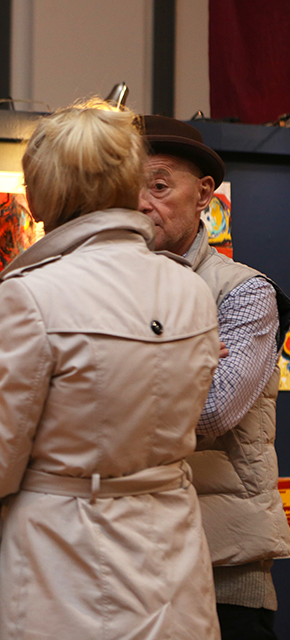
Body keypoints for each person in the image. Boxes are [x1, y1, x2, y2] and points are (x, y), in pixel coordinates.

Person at [0, 101, 221, 639]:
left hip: (65, 563)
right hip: (174, 556)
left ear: (43, 191)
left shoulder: (33, 293)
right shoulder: (191, 289)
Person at [139, 114, 290, 640]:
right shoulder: (112, 289)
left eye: (159, 185)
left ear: (204, 193)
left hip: (222, 565)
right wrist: (182, 362)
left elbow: (214, 410)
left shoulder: (244, 292)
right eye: (128, 187)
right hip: (126, 560)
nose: (141, 203)